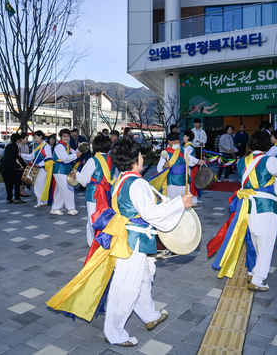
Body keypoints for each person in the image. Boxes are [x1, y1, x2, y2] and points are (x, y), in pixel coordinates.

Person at [47, 137, 192, 347]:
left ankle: (149, 315)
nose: (143, 158)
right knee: (127, 286)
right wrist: (179, 203)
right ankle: (114, 332)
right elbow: (150, 213)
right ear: (135, 159)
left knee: (143, 278)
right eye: (141, 155)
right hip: (133, 241)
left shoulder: (122, 179)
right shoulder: (138, 183)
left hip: (128, 237)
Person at [210, 131, 277, 292]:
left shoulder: (242, 162)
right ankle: (257, 279)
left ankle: (253, 272)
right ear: (266, 145)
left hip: (246, 206)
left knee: (254, 242)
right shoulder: (270, 161)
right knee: (266, 244)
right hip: (265, 207)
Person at [74, 135, 116, 246]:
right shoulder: (111, 159)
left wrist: (77, 174)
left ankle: (93, 244)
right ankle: (105, 241)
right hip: (108, 192)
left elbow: (84, 179)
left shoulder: (93, 160)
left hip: (94, 193)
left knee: (92, 219)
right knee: (106, 217)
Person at [153, 132, 204, 199]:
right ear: (169, 142)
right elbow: (160, 168)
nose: (177, 144)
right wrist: (165, 166)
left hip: (184, 179)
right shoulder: (166, 152)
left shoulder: (182, 149)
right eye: (175, 142)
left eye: (178, 142)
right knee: (173, 200)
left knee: (185, 200)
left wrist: (198, 161)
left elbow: (189, 158)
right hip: (173, 180)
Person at [52, 128, 82, 215]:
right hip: (60, 170)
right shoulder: (60, 146)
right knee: (68, 188)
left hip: (63, 170)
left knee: (60, 190)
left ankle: (55, 208)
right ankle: (71, 209)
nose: (66, 138)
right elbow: (65, 158)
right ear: (61, 137)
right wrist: (77, 154)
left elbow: (74, 153)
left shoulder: (66, 146)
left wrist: (79, 149)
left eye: (67, 136)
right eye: (64, 136)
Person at [21, 130, 54, 208]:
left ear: (40, 136)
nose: (35, 139)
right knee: (39, 184)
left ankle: (41, 201)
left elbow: (49, 158)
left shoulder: (46, 146)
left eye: (36, 137)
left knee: (39, 184)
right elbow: (31, 156)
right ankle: (41, 201)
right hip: (38, 167)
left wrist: (40, 164)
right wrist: (21, 155)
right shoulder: (37, 146)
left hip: (43, 167)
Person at [0, 133, 28, 204]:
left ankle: (9, 198)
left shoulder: (8, 146)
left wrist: (17, 165)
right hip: (10, 168)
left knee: (8, 184)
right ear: (18, 140)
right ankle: (17, 198)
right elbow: (18, 157)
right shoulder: (16, 146)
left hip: (3, 167)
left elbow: (9, 158)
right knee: (17, 182)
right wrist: (26, 166)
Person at [183, 129, 201, 207]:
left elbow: (187, 157)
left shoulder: (189, 146)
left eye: (184, 136)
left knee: (191, 184)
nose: (183, 137)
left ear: (188, 137)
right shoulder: (187, 146)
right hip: (190, 166)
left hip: (191, 167)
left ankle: (193, 201)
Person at [19, 132, 31, 197]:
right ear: (22, 139)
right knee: (20, 179)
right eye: (26, 139)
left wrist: (30, 163)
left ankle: (22, 191)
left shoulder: (26, 147)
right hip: (19, 165)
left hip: (24, 164)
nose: (27, 140)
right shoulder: (18, 146)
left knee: (24, 178)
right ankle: (21, 191)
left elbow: (28, 156)